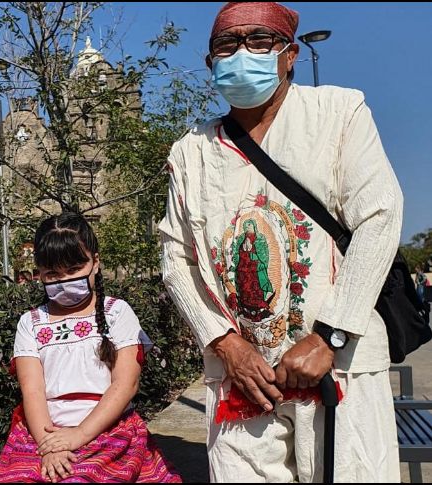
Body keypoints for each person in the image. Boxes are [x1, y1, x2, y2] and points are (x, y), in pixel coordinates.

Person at [158, 2, 402, 482]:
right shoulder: (191, 151)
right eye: (227, 44)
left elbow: (380, 215)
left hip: (338, 368)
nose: (241, 52)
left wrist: (330, 335)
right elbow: (175, 258)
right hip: (241, 382)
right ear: (211, 64)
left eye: (259, 40)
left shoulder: (339, 113)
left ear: (290, 54)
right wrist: (224, 343)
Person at [0, 213, 180, 483]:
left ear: (95, 263)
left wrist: (79, 435)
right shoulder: (30, 323)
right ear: (39, 273)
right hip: (45, 433)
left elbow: (125, 384)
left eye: (73, 270)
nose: (65, 280)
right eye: (53, 274)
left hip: (108, 430)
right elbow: (32, 389)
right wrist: (50, 445)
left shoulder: (117, 313)